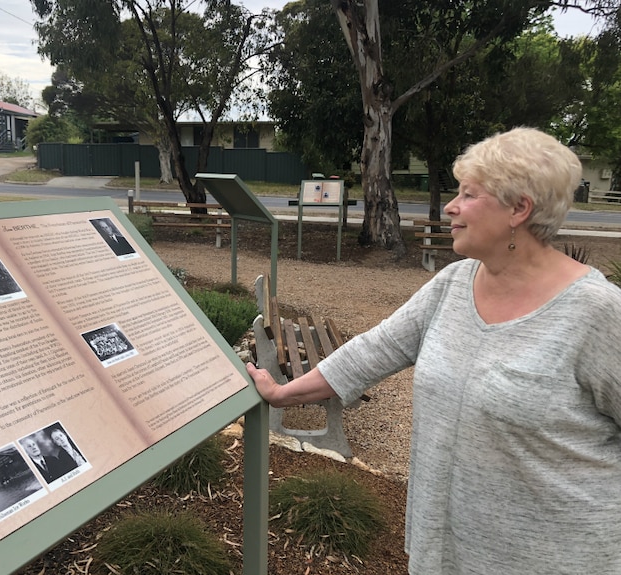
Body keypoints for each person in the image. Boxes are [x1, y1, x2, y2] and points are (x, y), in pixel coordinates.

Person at [247, 127, 621, 574]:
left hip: (554, 558)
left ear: (520, 208)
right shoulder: (454, 283)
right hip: (443, 551)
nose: (450, 206)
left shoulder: (596, 313)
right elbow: (371, 351)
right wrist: (282, 393)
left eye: (468, 194)